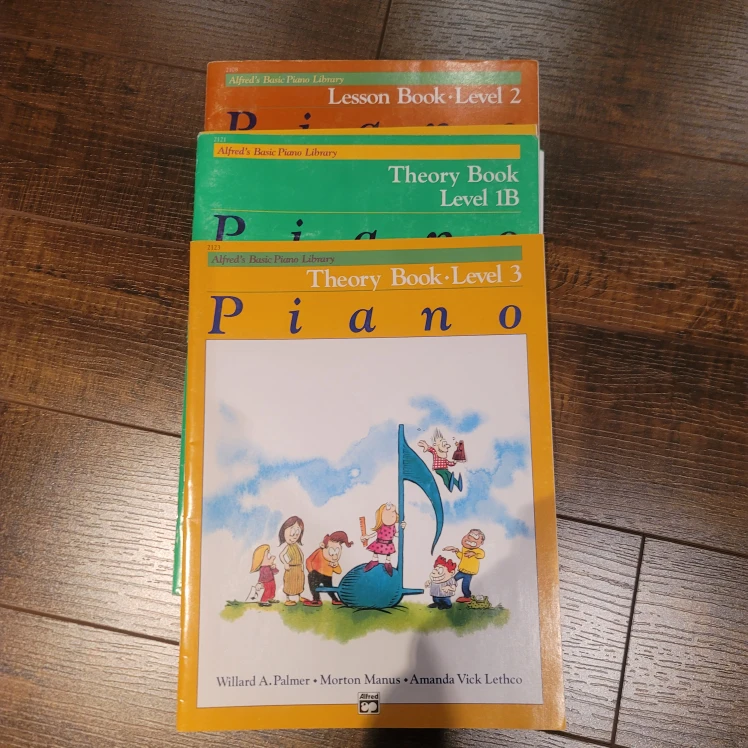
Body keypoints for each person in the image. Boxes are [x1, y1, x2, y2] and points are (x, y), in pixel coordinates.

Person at [304, 530, 353, 606]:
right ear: (323, 546)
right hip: (316, 573)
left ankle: (334, 599)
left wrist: (335, 565)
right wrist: (311, 571)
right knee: (313, 585)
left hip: (327, 576)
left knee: (329, 588)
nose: (334, 556)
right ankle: (316, 600)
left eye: (337, 552)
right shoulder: (319, 552)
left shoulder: (333, 561)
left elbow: (339, 571)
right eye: (332, 552)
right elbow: (309, 560)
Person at [361, 502, 406, 576]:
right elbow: (375, 533)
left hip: (388, 543)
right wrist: (368, 537)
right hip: (379, 542)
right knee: (375, 552)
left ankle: (387, 563)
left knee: (388, 554)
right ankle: (374, 561)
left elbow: (396, 534)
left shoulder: (392, 527)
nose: (393, 516)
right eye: (389, 515)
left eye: (394, 513)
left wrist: (402, 529)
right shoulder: (381, 526)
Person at [443, 528, 486, 603]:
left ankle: (467, 597)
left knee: (465, 585)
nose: (470, 538)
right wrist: (456, 551)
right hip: (462, 570)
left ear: (481, 542)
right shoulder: (464, 548)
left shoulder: (478, 551)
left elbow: (482, 555)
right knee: (453, 580)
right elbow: (461, 556)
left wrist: (473, 554)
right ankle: (445, 591)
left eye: (475, 537)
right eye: (469, 535)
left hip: (469, 572)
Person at [278, 516, 305, 606]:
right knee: (289, 583)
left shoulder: (296, 546)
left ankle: (299, 596)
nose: (294, 536)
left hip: (298, 567)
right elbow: (281, 555)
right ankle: (287, 599)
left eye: (297, 533)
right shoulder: (287, 547)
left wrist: (302, 564)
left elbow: (302, 555)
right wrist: (285, 563)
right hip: (291, 568)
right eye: (292, 532)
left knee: (299, 582)